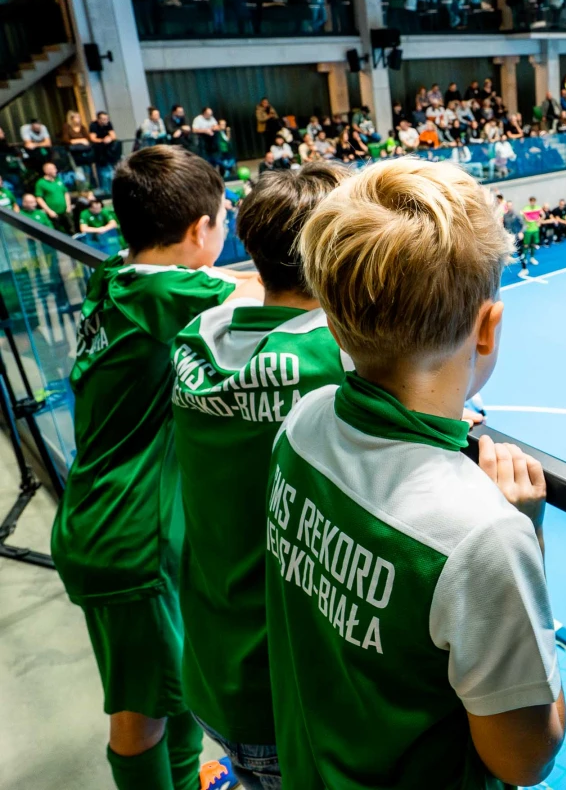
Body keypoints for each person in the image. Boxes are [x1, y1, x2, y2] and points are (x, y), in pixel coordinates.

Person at [270, 158, 566, 788]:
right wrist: (528, 539)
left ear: (333, 322)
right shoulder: (484, 536)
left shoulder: (301, 424)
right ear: (488, 329)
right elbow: (525, 759)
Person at [51, 145, 262, 790]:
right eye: (224, 217)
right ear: (200, 230)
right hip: (127, 538)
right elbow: (269, 292)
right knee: (138, 717)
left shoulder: (119, 277)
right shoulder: (170, 293)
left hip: (109, 518)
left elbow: (210, 281)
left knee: (174, 688)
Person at [170, 163, 348, 790]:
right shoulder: (331, 360)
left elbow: (236, 297)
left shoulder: (196, 341)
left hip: (210, 669)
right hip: (281, 696)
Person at [35, 161, 72, 232]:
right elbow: (39, 198)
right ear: (46, 171)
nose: (56, 170)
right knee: (58, 232)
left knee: (70, 230)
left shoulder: (58, 180)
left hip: (65, 211)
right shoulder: (41, 183)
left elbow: (65, 193)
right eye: (53, 168)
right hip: (53, 213)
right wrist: (49, 211)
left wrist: (68, 206)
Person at [521, 196, 545, 268]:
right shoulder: (525, 209)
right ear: (529, 201)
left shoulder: (538, 208)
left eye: (534, 201)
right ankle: (525, 259)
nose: (532, 203)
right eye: (531, 201)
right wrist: (526, 223)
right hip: (528, 230)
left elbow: (543, 215)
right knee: (526, 245)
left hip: (535, 229)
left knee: (533, 244)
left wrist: (539, 221)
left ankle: (532, 258)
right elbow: (523, 218)